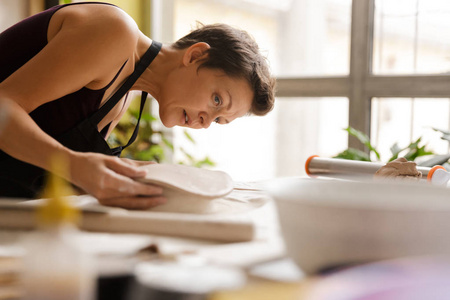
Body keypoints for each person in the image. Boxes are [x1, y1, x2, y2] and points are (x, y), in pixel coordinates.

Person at [0, 2, 276, 209]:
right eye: (217, 101)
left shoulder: (123, 96)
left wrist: (132, 179)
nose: (205, 122)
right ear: (195, 56)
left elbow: (35, 172)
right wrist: (74, 165)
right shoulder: (114, 31)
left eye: (218, 120)